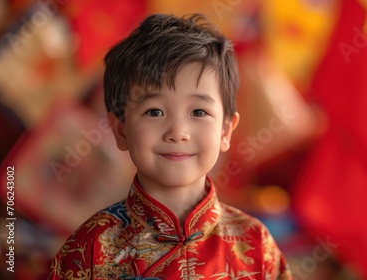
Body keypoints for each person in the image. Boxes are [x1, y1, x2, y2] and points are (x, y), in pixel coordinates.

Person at [49, 13, 292, 279]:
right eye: (154, 112)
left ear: (225, 130)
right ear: (121, 129)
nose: (178, 132)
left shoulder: (256, 244)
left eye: (198, 112)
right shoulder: (89, 249)